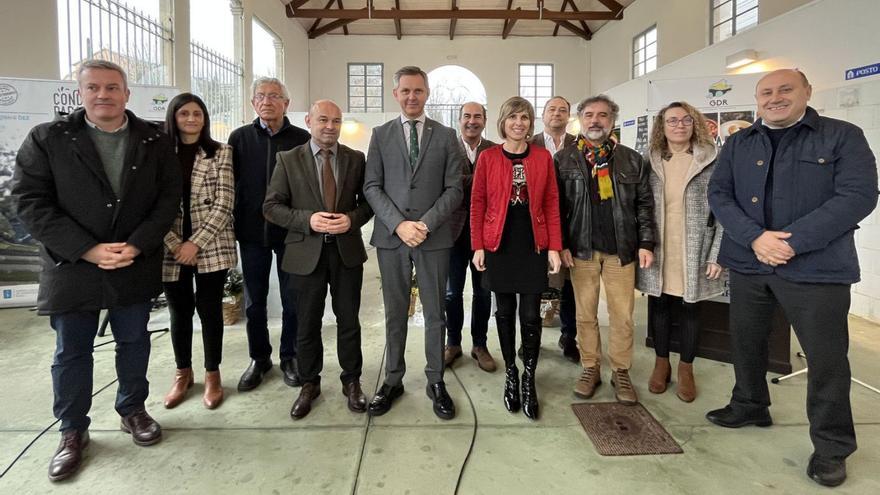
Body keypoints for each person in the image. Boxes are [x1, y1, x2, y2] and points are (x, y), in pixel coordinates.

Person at [706, 69, 878, 487]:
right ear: (757, 98)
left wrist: (793, 242)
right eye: (766, 92)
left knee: (826, 359)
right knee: (746, 341)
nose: (775, 97)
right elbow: (720, 194)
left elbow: (859, 195)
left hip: (816, 267)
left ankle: (832, 446)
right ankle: (749, 404)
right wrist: (755, 239)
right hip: (750, 262)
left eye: (786, 89)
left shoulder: (842, 135)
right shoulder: (738, 141)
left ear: (807, 91)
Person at [12, 59, 181, 481]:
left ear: (127, 93)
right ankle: (72, 432)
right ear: (81, 93)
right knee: (71, 351)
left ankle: (133, 410)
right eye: (93, 88)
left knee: (134, 340)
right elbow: (30, 202)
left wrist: (137, 245)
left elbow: (167, 199)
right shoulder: (48, 138)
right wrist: (87, 249)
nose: (103, 95)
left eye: (112, 87)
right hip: (72, 265)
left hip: (132, 261)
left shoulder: (154, 140)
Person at [363, 66, 463, 420]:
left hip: (433, 237)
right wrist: (400, 225)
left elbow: (455, 188)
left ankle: (436, 380)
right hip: (393, 238)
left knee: (436, 313)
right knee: (394, 313)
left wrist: (424, 223)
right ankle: (393, 379)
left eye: (418, 91)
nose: (411, 97)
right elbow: (371, 186)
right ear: (395, 94)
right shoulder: (380, 134)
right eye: (405, 90)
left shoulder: (447, 135)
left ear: (427, 93)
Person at [264, 100, 374, 419]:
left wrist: (351, 220)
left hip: (346, 253)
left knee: (349, 321)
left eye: (336, 121)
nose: (329, 126)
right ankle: (310, 383)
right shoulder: (288, 159)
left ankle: (351, 381)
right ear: (309, 121)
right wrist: (307, 220)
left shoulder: (355, 159)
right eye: (323, 119)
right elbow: (271, 206)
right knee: (307, 323)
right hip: (304, 253)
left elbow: (367, 204)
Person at [555, 94, 655, 406]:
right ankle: (590, 367)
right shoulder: (563, 159)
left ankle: (621, 371)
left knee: (623, 315)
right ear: (580, 120)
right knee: (584, 315)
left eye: (602, 115)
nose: (595, 120)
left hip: (620, 250)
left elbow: (644, 205)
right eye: (589, 115)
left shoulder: (631, 159)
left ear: (612, 120)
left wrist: (646, 243)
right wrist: (561, 246)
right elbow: (555, 207)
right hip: (581, 250)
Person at [471, 96, 562, 420]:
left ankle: (529, 379)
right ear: (503, 122)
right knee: (505, 313)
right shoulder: (488, 157)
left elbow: (552, 202)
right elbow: (478, 203)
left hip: (532, 243)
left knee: (531, 316)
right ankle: (511, 372)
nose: (519, 123)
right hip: (499, 244)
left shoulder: (542, 157)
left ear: (530, 123)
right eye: (513, 117)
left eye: (524, 118)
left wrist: (554, 246)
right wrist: (478, 245)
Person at [636, 101, 724, 403]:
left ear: (695, 123)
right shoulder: (650, 160)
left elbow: (725, 210)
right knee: (659, 304)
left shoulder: (712, 159)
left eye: (686, 120)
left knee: (691, 307)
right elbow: (639, 204)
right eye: (671, 120)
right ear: (662, 126)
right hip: (660, 244)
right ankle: (662, 363)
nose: (679, 125)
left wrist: (717, 253)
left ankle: (686, 368)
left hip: (695, 245)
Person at [228, 77, 310, 392]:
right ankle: (259, 358)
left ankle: (290, 356)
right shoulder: (240, 138)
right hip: (251, 233)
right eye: (260, 96)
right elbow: (228, 184)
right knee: (254, 302)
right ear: (252, 103)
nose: (267, 101)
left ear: (286, 104)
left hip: (290, 232)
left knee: (292, 299)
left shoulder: (301, 138)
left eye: (274, 96)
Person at [160, 93, 237, 410]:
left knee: (209, 311)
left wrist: (196, 243)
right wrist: (175, 243)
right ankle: (182, 374)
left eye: (197, 113)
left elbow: (224, 202)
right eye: (184, 113)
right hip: (171, 246)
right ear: (173, 117)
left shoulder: (220, 152)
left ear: (204, 119)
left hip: (211, 244)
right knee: (179, 312)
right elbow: (149, 203)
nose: (191, 119)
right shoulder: (159, 153)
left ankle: (212, 374)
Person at [444, 101, 497, 372]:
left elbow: (496, 189)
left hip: (485, 236)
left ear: (485, 121)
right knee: (452, 293)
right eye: (467, 116)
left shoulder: (495, 151)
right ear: (459, 120)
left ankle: (480, 345)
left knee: (483, 293)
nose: (472, 121)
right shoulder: (446, 148)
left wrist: (465, 179)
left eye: (477, 116)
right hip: (452, 233)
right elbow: (446, 183)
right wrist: (480, 180)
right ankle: (453, 343)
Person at [530, 96, 578, 363]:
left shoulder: (580, 146)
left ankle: (569, 337)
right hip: (536, 226)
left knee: (570, 286)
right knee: (535, 285)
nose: (557, 113)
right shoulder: (530, 144)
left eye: (563, 109)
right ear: (543, 114)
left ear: (568, 116)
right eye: (552, 109)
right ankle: (532, 338)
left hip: (571, 224)